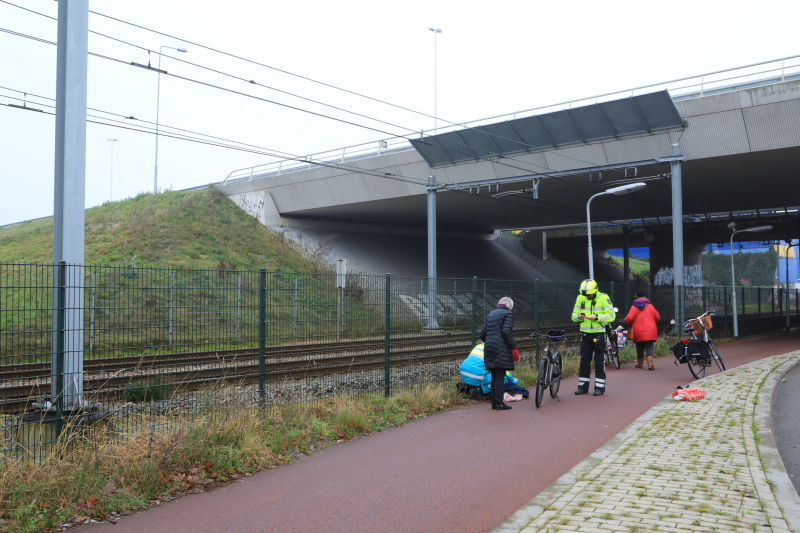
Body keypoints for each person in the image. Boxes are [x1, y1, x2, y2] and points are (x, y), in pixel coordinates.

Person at [571, 279, 616, 396]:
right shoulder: (580, 298)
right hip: (585, 335)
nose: (587, 296)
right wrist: (579, 317)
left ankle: (599, 388)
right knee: (584, 360)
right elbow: (573, 316)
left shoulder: (604, 298)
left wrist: (596, 317)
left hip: (599, 335)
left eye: (589, 294)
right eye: (585, 294)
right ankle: (582, 387)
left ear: (595, 291)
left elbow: (611, 315)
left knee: (599, 360)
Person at [479, 297, 520, 410]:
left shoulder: (490, 315)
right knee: (500, 376)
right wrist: (513, 347)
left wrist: (490, 341)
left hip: (489, 346)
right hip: (501, 347)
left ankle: (495, 403)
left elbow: (482, 333)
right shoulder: (508, 314)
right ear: (509, 306)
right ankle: (499, 403)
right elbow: (506, 332)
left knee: (494, 375)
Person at [625, 291, 661, 370]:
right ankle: (650, 363)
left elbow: (629, 318)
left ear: (636, 298)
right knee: (649, 346)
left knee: (639, 345)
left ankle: (640, 363)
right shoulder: (650, 306)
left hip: (638, 329)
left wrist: (626, 320)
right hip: (650, 329)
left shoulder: (634, 307)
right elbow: (657, 317)